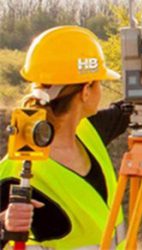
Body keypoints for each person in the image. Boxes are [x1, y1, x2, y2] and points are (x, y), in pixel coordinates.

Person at [0, 26, 130, 249]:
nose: (101, 91)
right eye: (99, 82)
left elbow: (127, 110)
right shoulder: (15, 171)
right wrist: (3, 226)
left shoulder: (90, 131)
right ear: (86, 90)